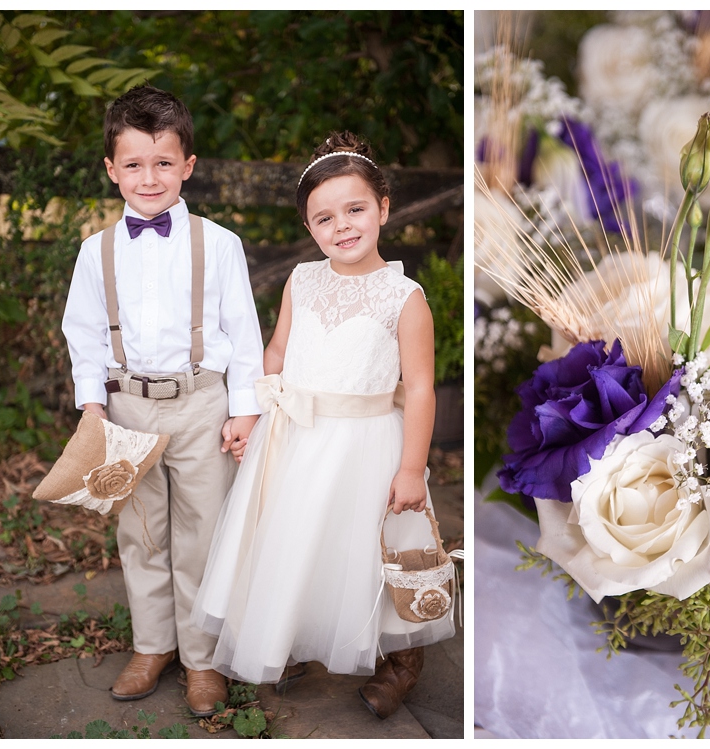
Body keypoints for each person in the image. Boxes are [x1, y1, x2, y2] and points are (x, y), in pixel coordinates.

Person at [192, 131, 456, 718]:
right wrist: (252, 413)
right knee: (297, 539)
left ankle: (401, 656)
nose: (342, 226)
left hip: (368, 445)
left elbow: (418, 389)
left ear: (384, 208)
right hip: (296, 439)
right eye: (324, 218)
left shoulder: (404, 297)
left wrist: (412, 467)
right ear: (310, 229)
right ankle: (294, 633)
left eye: (355, 209)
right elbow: (279, 352)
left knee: (371, 549)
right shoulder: (302, 281)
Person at [62, 84, 265, 717]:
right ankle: (153, 646)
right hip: (127, 408)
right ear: (111, 169)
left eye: (164, 163)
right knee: (141, 530)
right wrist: (93, 405)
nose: (149, 179)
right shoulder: (95, 252)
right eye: (134, 165)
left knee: (204, 532)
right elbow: (83, 332)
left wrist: (244, 406)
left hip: (203, 404)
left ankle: (202, 656)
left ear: (188, 166)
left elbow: (245, 332)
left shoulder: (220, 243)